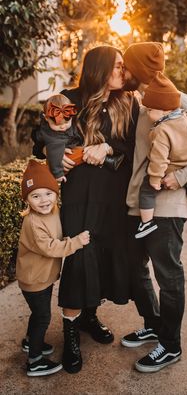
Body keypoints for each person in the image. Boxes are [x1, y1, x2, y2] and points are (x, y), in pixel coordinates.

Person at [32, 45, 139, 374]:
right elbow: (41, 138)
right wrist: (57, 154)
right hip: (79, 195)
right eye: (118, 66)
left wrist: (106, 147)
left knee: (105, 255)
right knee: (80, 257)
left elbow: (134, 146)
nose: (123, 72)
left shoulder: (127, 103)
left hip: (113, 196)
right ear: (100, 68)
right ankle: (70, 333)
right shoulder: (67, 99)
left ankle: (90, 317)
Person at [120, 42, 187, 372]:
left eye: (127, 67)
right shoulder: (139, 100)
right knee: (135, 270)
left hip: (168, 206)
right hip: (139, 204)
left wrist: (184, 175)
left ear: (140, 70)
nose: (123, 72)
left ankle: (171, 345)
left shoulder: (178, 99)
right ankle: (155, 323)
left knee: (169, 276)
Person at [16, 160, 90, 377]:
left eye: (47, 193)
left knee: (38, 314)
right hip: (34, 280)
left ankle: (30, 342)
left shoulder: (53, 211)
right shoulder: (33, 222)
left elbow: (57, 231)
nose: (43, 200)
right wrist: (76, 242)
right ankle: (35, 361)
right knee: (42, 317)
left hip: (43, 277)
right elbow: (50, 247)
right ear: (27, 200)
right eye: (35, 196)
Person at [135, 71, 187, 239]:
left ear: (163, 110)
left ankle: (146, 223)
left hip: (169, 168)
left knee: (146, 190)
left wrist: (155, 178)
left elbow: (159, 158)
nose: (147, 112)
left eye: (150, 109)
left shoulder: (161, 130)